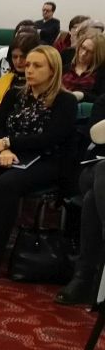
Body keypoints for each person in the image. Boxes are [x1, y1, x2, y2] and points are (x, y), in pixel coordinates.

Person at [0, 46, 78, 281]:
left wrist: (9, 143)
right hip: (8, 152)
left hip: (46, 158)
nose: (29, 69)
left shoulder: (65, 100)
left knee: (6, 185)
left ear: (53, 70)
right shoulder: (15, 94)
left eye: (37, 65)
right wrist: (6, 148)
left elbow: (51, 137)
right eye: (28, 64)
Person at [57, 115, 105, 305]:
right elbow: (96, 133)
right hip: (96, 171)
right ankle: (89, 279)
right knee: (101, 173)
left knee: (92, 199)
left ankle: (85, 277)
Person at [0, 31, 40, 113]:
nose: (18, 61)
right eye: (15, 57)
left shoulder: (39, 82)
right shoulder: (5, 78)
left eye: (23, 57)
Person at [62, 33, 105, 103]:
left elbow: (101, 100)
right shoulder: (67, 66)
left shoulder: (101, 73)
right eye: (83, 48)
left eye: (90, 52)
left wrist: (82, 95)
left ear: (97, 54)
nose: (83, 53)